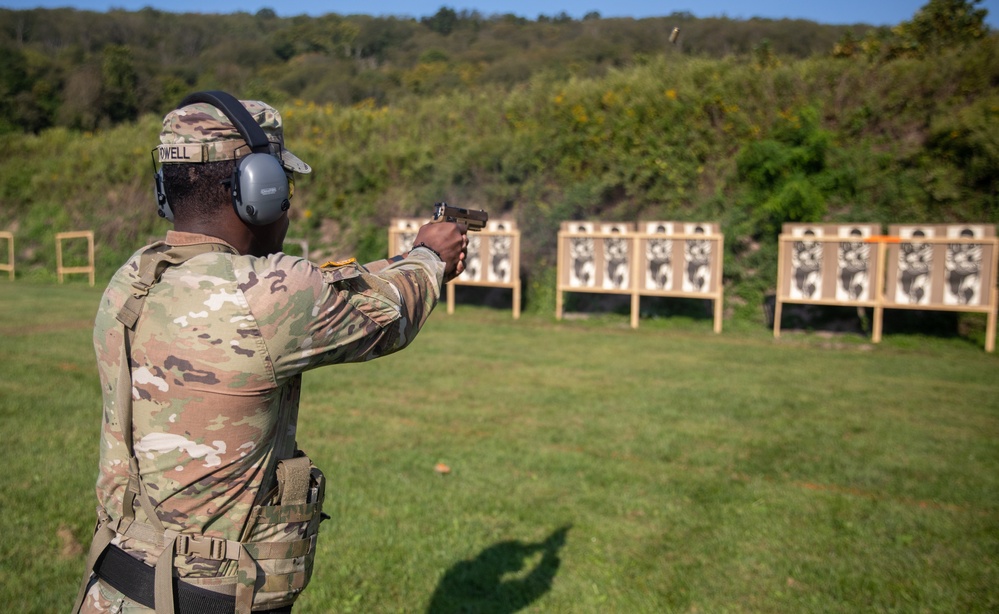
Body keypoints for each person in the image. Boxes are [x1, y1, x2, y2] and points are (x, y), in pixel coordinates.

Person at [73, 91, 467, 614]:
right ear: (260, 190)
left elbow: (327, 289)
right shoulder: (265, 295)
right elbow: (389, 312)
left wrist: (403, 258)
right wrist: (429, 257)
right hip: (204, 600)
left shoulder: (135, 277)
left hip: (114, 588)